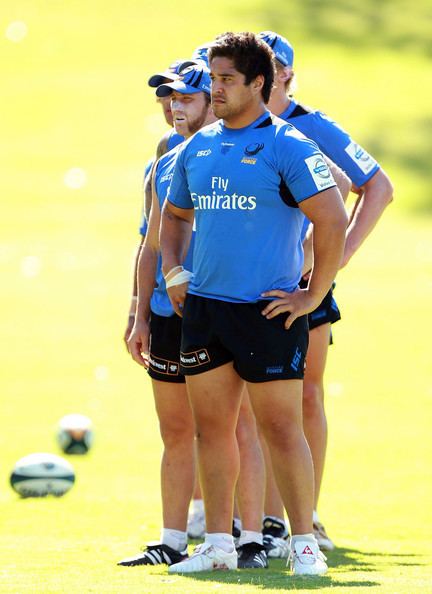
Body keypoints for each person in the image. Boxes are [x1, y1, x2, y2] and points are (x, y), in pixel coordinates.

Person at [159, 31, 348, 576]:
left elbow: (332, 219)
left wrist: (313, 292)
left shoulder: (289, 145)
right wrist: (174, 269)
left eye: (225, 80)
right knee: (211, 430)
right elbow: (173, 216)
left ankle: (304, 544)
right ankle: (217, 545)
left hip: (268, 311)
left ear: (258, 83)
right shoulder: (197, 146)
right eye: (212, 78)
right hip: (206, 308)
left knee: (282, 430)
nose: (213, 89)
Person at [258, 30, 394, 552]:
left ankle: (302, 519)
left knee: (305, 397)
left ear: (286, 75)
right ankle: (244, 520)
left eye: (273, 70)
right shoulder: (226, 123)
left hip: (303, 285)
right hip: (243, 280)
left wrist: (331, 265)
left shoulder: (311, 126)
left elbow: (377, 187)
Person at [118, 64, 216, 567]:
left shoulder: (235, 153)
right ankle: (172, 541)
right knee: (176, 430)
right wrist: (139, 315)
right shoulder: (163, 160)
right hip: (166, 311)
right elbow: (150, 244)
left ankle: (243, 538)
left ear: (211, 100)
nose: (174, 107)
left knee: (228, 429)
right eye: (170, 99)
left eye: (186, 98)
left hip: (222, 307)